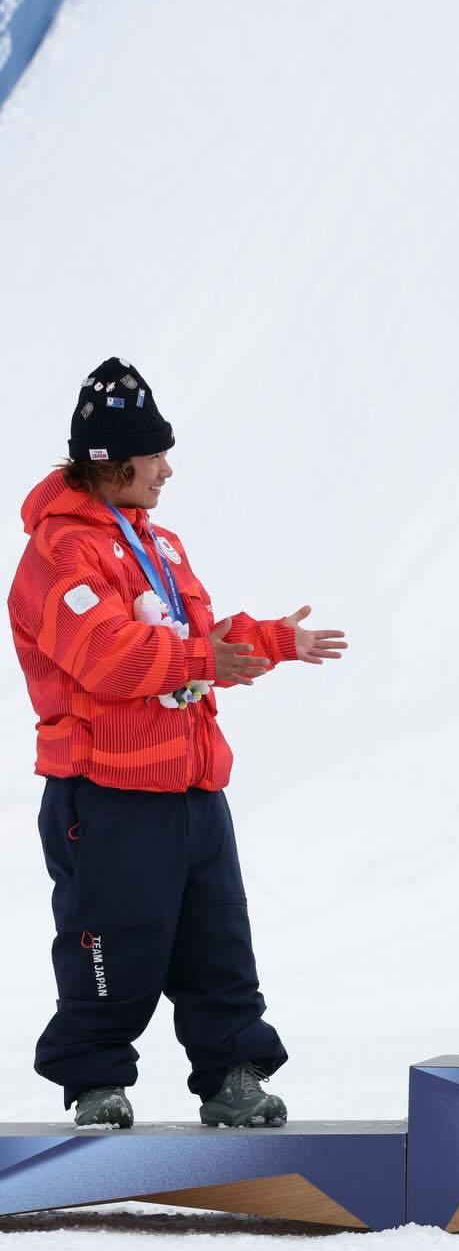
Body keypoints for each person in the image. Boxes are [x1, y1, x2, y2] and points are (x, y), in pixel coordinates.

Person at [7, 358, 347, 1127]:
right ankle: (96, 1084)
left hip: (191, 785)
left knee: (217, 943)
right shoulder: (61, 555)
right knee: (111, 947)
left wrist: (271, 640)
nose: (167, 469)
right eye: (155, 454)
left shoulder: (157, 544)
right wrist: (203, 659)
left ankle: (233, 1076)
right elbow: (107, 654)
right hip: (109, 793)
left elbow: (194, 640)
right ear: (114, 463)